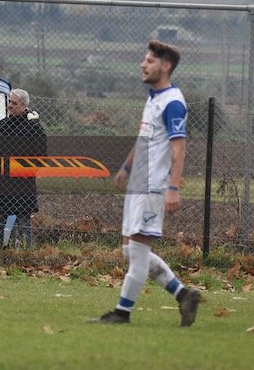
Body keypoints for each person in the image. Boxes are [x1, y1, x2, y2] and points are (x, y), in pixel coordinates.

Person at [94, 39, 201, 326]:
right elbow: (145, 139)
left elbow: (180, 149)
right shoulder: (154, 97)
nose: (143, 64)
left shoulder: (173, 103)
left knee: (138, 253)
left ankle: (122, 312)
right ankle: (183, 295)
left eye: (150, 61)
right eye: (144, 59)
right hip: (139, 184)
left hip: (154, 186)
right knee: (131, 250)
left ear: (165, 67)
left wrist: (173, 188)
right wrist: (126, 168)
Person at [0, 89, 47, 248]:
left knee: (23, 224)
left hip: (23, 185)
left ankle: (25, 256)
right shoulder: (3, 126)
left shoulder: (34, 129)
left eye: (14, 103)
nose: (10, 106)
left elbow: (41, 156)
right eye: (9, 102)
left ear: (24, 105)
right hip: (2, 184)